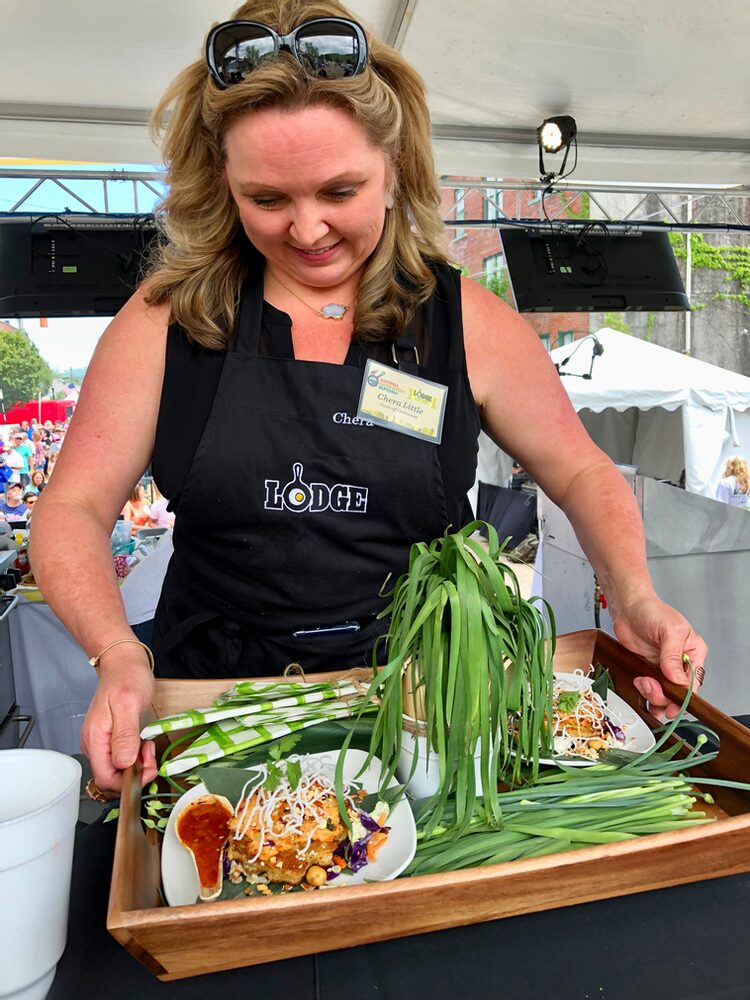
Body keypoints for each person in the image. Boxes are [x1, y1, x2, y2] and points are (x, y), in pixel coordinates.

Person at [29, 0, 706, 801]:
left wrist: (634, 595)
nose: (307, 228)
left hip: (429, 709)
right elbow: (70, 508)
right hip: (222, 713)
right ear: (222, 184)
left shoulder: (468, 324)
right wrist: (118, 655)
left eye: (339, 189)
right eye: (268, 199)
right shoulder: (164, 324)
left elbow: (582, 472)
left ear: (394, 166)